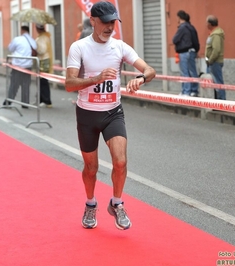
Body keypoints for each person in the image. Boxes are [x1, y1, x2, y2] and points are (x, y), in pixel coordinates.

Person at [65, 1, 156, 230]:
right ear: (93, 21)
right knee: (91, 169)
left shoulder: (120, 47)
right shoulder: (79, 47)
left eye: (113, 22)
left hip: (113, 112)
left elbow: (149, 70)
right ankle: (90, 203)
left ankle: (116, 203)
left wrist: (141, 79)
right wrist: (96, 79)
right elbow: (69, 84)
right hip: (87, 115)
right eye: (105, 22)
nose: (109, 27)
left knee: (121, 161)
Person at [4, 25, 37, 108]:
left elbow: (10, 48)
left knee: (14, 84)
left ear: (22, 30)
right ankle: (25, 103)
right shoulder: (33, 41)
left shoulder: (17, 39)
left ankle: (9, 101)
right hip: (28, 66)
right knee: (26, 85)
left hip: (18, 66)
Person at [172, 10, 199, 97]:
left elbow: (175, 40)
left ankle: (186, 91)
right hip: (192, 51)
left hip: (184, 52)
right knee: (193, 72)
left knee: (185, 73)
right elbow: (196, 41)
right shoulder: (191, 27)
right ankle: (194, 90)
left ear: (179, 18)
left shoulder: (182, 27)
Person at [205, 15, 225, 100]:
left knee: (218, 83)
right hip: (212, 62)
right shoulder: (214, 33)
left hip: (214, 62)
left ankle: (221, 102)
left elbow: (216, 49)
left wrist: (210, 60)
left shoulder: (216, 35)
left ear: (210, 24)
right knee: (214, 83)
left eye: (207, 23)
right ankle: (217, 101)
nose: (206, 25)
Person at [35, 24, 53, 107]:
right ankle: (41, 99)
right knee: (41, 81)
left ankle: (46, 100)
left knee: (43, 81)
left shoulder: (42, 38)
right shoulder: (45, 36)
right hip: (44, 60)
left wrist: (36, 50)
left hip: (43, 60)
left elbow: (42, 50)